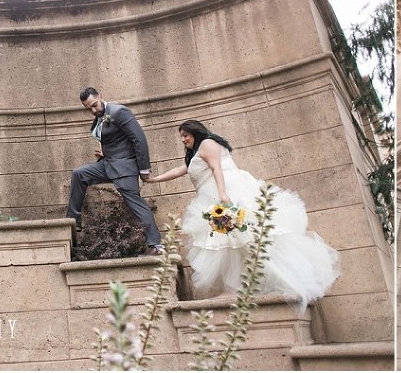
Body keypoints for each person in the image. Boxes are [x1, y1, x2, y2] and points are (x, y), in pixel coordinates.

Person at [144, 120, 339, 311]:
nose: (183, 140)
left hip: (226, 193)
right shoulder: (196, 153)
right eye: (181, 137)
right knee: (230, 243)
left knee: (236, 240)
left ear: (195, 132)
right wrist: (153, 180)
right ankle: (236, 287)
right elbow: (180, 170)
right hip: (212, 195)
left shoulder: (207, 144)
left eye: (185, 135)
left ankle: (240, 287)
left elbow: (216, 169)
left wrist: (222, 194)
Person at [67, 87, 164, 256]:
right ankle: (73, 221)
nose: (93, 110)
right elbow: (117, 140)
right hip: (108, 163)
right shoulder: (99, 118)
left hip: (124, 167)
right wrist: (106, 152)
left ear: (101, 97)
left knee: (136, 205)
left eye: (94, 105)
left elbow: (138, 139)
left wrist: (143, 169)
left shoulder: (119, 112)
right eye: (88, 108)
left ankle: (157, 245)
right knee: (79, 174)